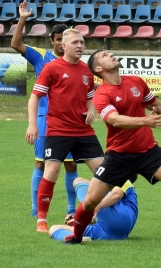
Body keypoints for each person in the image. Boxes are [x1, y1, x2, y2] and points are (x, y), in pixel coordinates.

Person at [63, 50, 161, 248]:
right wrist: (145, 121)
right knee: (89, 201)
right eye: (105, 55)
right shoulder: (102, 94)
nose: (111, 54)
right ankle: (77, 237)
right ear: (98, 69)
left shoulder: (136, 82)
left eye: (110, 53)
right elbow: (114, 120)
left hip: (147, 150)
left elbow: (158, 105)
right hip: (119, 155)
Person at [25, 28, 105, 233]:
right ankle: (41, 220)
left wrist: (91, 109)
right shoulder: (51, 68)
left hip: (83, 131)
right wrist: (32, 124)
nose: (80, 46)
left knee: (105, 172)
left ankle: (95, 212)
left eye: (82, 42)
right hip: (58, 130)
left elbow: (89, 95)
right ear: (63, 46)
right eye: (76, 42)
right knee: (51, 171)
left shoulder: (87, 71)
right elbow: (34, 97)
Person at [12, 1, 79, 219]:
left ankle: (71, 209)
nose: (61, 43)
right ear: (52, 41)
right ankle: (35, 209)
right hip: (44, 118)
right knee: (41, 162)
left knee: (70, 166)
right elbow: (15, 44)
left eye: (64, 39)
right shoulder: (41, 55)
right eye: (58, 40)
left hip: (69, 121)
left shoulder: (76, 61)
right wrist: (23, 18)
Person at [49, 177, 138, 242]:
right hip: (112, 233)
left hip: (121, 220)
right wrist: (79, 216)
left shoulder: (124, 179)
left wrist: (96, 207)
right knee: (53, 229)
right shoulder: (108, 185)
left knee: (78, 181)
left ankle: (79, 225)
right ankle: (77, 238)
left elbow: (116, 195)